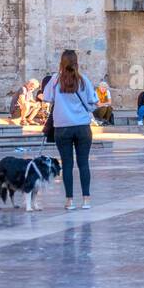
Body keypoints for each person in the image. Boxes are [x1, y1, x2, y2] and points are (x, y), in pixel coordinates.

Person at [44, 49, 98, 211]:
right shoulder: (83, 80)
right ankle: (86, 199)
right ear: (76, 62)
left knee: (67, 164)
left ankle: (69, 201)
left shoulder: (55, 80)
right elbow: (93, 101)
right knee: (83, 163)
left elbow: (47, 98)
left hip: (62, 127)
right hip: (82, 126)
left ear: (62, 62)